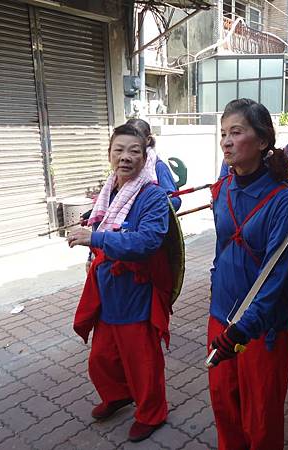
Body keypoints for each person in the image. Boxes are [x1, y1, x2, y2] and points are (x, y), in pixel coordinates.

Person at [207, 99, 288, 450]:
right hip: (221, 316)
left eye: (236, 132)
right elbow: (222, 252)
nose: (226, 142)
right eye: (223, 134)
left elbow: (275, 275)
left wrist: (243, 329)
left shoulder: (284, 200)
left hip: (262, 329)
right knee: (224, 407)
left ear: (263, 141)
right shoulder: (222, 190)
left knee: (260, 416)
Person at [67, 124, 172, 443]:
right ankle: (118, 394)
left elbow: (148, 241)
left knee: (142, 359)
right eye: (119, 150)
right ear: (110, 153)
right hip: (106, 286)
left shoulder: (153, 195)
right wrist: (89, 234)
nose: (125, 157)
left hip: (135, 291)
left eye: (133, 151)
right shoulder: (108, 189)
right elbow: (100, 225)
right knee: (102, 356)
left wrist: (96, 237)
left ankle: (153, 412)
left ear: (144, 155)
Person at [126, 118, 182, 211]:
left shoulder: (158, 167)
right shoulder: (123, 167)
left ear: (147, 140)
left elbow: (175, 201)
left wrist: (152, 204)